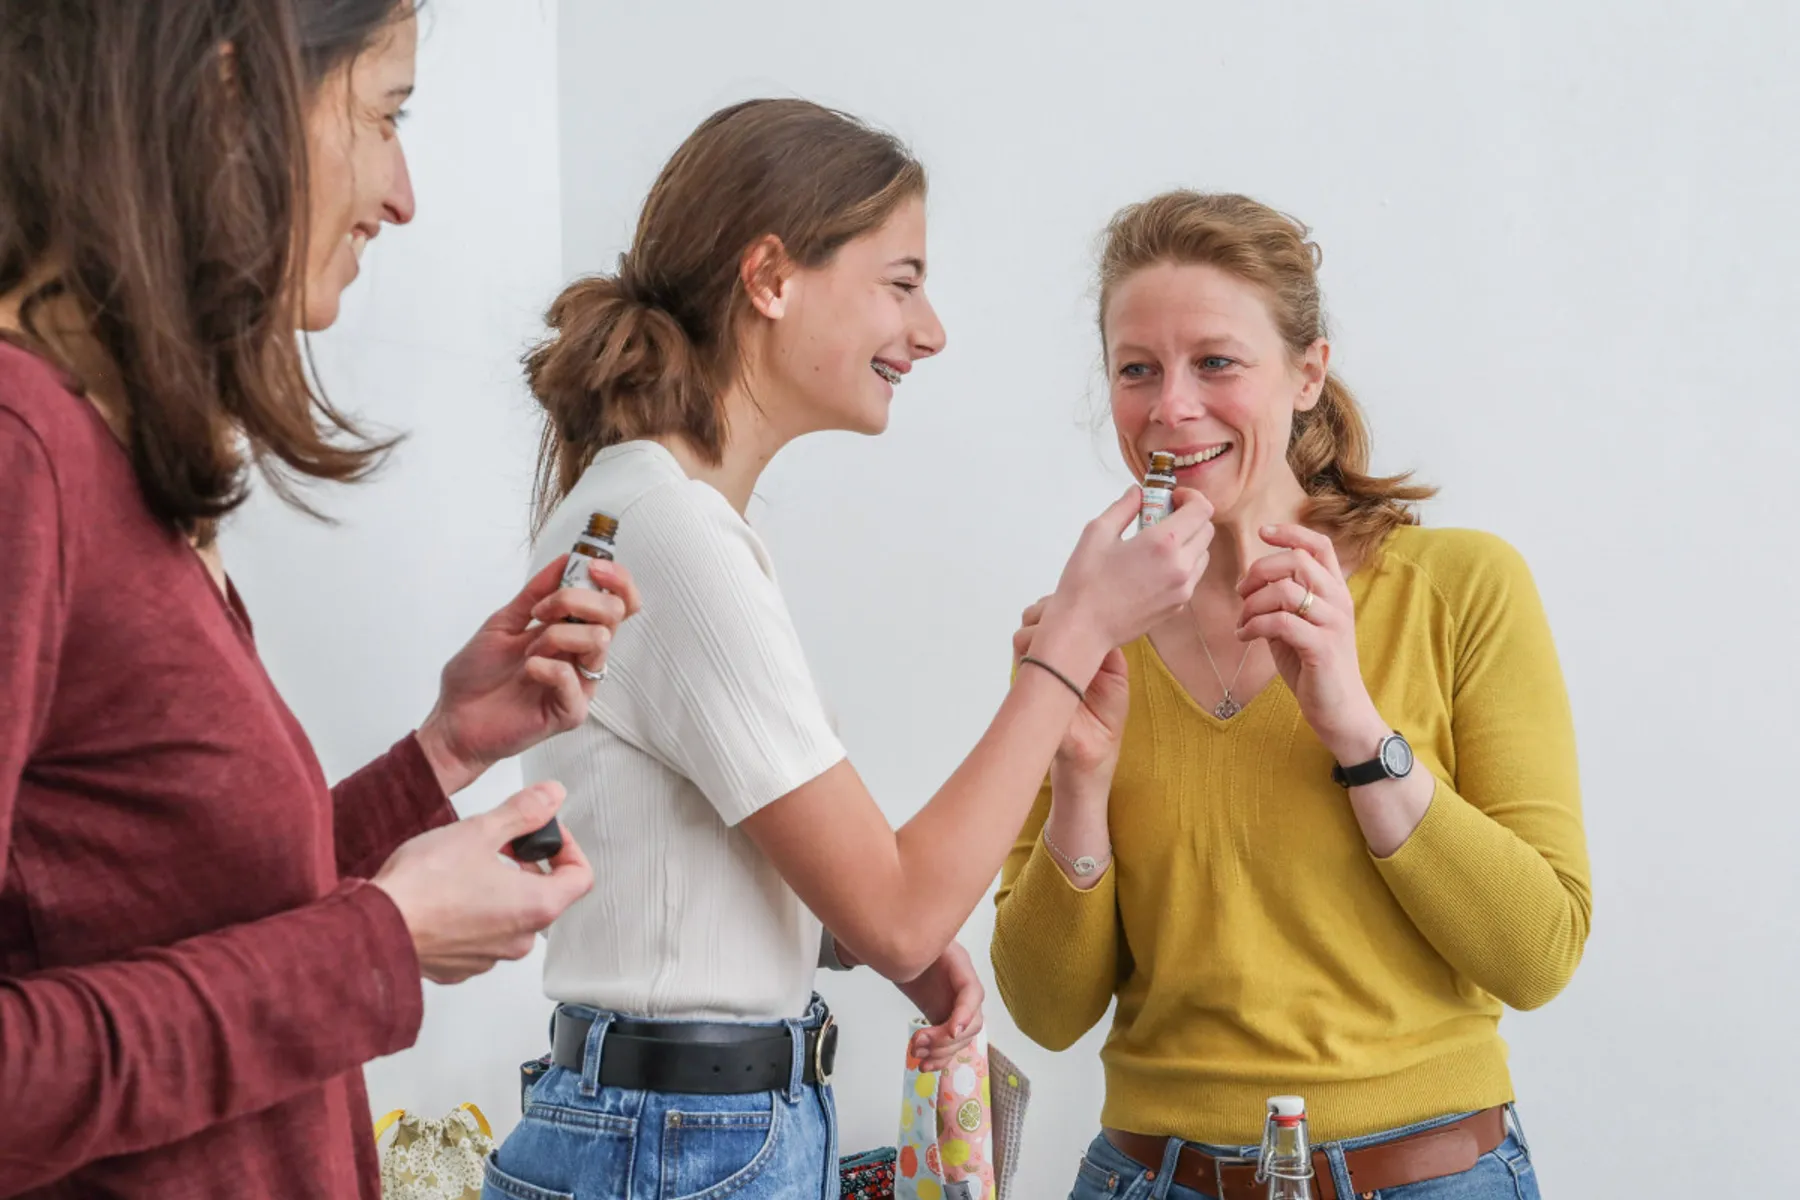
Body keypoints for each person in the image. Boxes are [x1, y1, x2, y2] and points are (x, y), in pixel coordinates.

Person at [480, 99, 1213, 1200]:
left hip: (677, 1130)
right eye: (902, 282)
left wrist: (849, 936)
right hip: (684, 1144)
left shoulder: (651, 509)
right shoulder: (673, 532)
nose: (931, 330)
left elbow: (692, 867)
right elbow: (905, 909)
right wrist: (1077, 636)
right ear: (771, 278)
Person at [0, 3, 640, 1197]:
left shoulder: (110, 462)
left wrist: (441, 752)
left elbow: (171, 915)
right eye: (386, 117)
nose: (403, 196)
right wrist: (378, 945)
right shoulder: (20, 449)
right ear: (229, 100)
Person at [992, 192, 1591, 1200]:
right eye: (1137, 369)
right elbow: (1047, 1012)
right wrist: (1081, 779)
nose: (1171, 406)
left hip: (1431, 1175)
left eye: (1216, 362)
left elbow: (1538, 955)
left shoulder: (1459, 588)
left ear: (1307, 373)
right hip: (1151, 1178)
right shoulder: (1080, 639)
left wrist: (1355, 728)